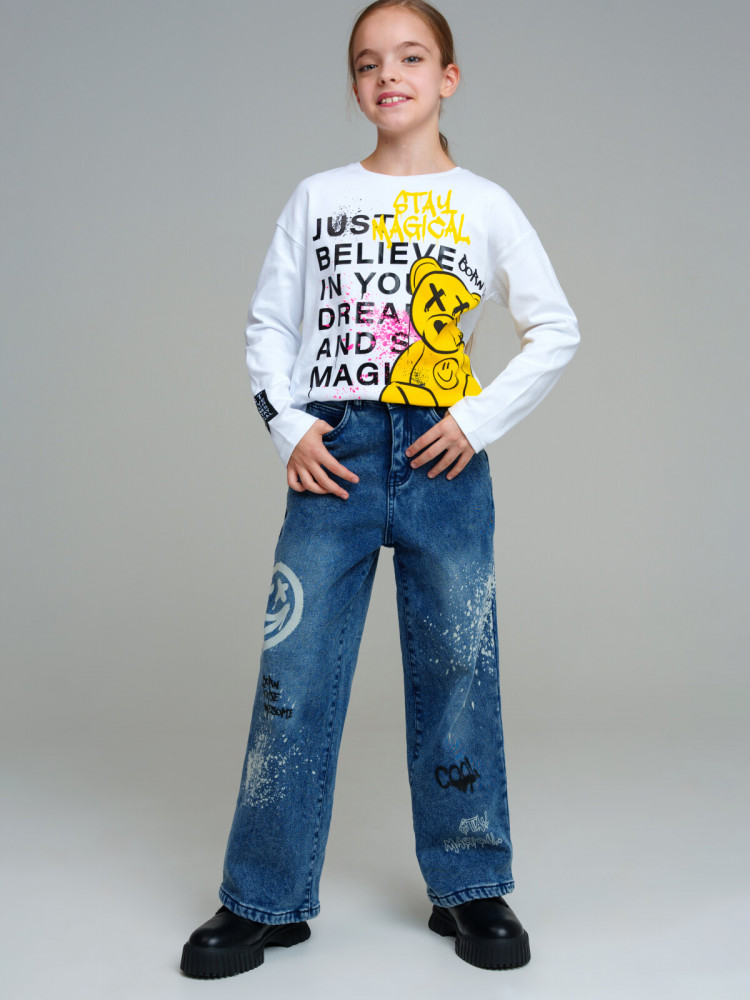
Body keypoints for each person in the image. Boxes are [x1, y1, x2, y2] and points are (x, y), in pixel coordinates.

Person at [180, 0, 579, 978]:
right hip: (339, 453)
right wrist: (289, 426)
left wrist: (476, 420)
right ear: (356, 85)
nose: (388, 75)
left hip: (444, 459)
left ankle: (470, 882)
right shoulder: (319, 196)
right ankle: (263, 897)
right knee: (296, 673)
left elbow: (555, 328)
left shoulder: (485, 204)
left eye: (410, 57)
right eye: (368, 62)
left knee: (459, 669)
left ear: (448, 77)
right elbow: (269, 324)